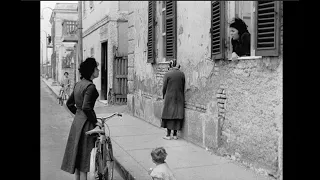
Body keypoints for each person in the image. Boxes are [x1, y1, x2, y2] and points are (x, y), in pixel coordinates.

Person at [61, 58, 101, 180]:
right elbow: (87, 107)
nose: (98, 71)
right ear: (91, 71)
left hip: (77, 123)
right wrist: (95, 121)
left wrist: (78, 114)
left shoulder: (78, 84)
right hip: (86, 125)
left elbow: (69, 104)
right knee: (84, 160)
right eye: (96, 68)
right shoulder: (90, 87)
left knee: (77, 160)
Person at [161, 59, 185, 140]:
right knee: (176, 115)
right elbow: (183, 86)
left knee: (168, 115)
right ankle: (175, 135)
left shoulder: (167, 74)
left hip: (169, 97)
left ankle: (168, 135)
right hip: (179, 97)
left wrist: (164, 95)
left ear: (170, 65)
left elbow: (164, 87)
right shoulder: (182, 74)